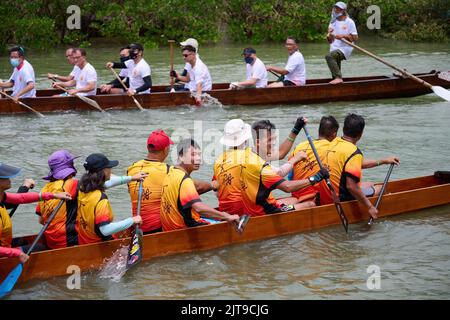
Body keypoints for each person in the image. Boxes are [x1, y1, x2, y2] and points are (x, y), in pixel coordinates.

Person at [36, 150, 147, 249]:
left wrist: (132, 178)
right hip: (69, 243)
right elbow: (101, 184)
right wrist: (132, 220)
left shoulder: (45, 190)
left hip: (51, 241)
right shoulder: (73, 185)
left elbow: (41, 221)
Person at [238, 122, 329, 217]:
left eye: (274, 139)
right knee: (311, 204)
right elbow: (287, 187)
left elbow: (280, 154)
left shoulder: (247, 153)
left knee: (296, 199)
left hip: (252, 205)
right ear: (258, 142)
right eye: (269, 140)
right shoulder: (262, 168)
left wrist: (295, 130)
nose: (273, 143)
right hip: (263, 212)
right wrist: (316, 177)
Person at [318, 114, 394, 219]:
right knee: (381, 188)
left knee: (370, 184)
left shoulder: (333, 142)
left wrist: (383, 161)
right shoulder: (354, 152)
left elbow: (354, 165)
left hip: (325, 194)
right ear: (360, 134)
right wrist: (370, 207)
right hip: (340, 199)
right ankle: (381, 213)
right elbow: (351, 186)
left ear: (344, 129)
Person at [160, 139, 240, 231]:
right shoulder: (185, 181)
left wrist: (213, 185)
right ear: (181, 157)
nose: (198, 158)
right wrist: (226, 216)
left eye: (199, 154)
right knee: (229, 221)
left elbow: (196, 186)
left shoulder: (171, 172)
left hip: (168, 229)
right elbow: (199, 208)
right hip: (182, 230)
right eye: (193, 154)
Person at [0, 162, 71, 259]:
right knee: (41, 248)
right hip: (2, 253)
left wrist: (54, 195)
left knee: (24, 241)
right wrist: (17, 253)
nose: (9, 179)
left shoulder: (2, 197)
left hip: (4, 246)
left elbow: (22, 198)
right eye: (5, 178)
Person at [76, 153, 143, 245]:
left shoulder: (83, 188)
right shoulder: (101, 199)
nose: (111, 171)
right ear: (104, 171)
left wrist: (133, 178)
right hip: (97, 244)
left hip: (83, 241)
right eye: (109, 168)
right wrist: (132, 220)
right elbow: (105, 230)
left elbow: (109, 183)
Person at [127, 129, 174, 234]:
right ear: (166, 149)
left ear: (148, 147)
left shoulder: (132, 168)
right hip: (157, 228)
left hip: (137, 226)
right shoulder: (168, 170)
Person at [289, 116, 340, 203]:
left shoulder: (299, 147)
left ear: (319, 131)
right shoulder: (335, 148)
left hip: (297, 195)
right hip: (315, 198)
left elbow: (290, 177)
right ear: (334, 134)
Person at [325, 2, 358, 84]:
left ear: (343, 10)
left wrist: (343, 36)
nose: (336, 10)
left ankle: (338, 78)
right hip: (334, 47)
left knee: (329, 56)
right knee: (335, 72)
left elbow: (355, 38)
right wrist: (329, 36)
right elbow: (330, 41)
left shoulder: (349, 22)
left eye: (338, 8)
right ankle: (338, 83)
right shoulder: (332, 22)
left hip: (345, 48)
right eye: (335, 8)